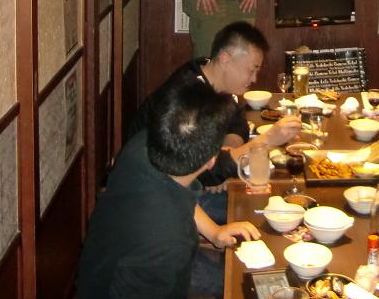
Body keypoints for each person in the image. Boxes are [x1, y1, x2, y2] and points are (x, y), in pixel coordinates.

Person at [77, 80, 261, 299]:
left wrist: (214, 231)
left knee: (241, 277)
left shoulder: (147, 144)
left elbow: (181, 193)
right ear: (211, 160)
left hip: (104, 266)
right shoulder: (169, 242)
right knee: (244, 290)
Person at [128, 22, 301, 222]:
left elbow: (237, 121)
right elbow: (198, 171)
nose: (254, 78)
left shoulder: (211, 75)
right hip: (158, 194)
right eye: (251, 70)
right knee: (255, 210)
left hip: (187, 182)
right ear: (225, 59)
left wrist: (225, 155)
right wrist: (267, 140)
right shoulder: (188, 97)